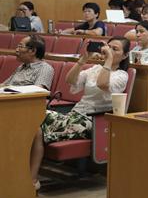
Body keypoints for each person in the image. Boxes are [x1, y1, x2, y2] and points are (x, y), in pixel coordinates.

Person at [38, 37, 130, 190]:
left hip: (91, 121)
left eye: (115, 49)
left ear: (125, 55)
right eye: (108, 47)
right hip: (75, 114)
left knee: (38, 128)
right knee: (37, 115)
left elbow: (102, 84)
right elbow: (70, 80)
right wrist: (83, 59)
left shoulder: (122, 75)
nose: (109, 51)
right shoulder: (94, 69)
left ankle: (30, 177)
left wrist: (108, 60)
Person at [1, 35, 54, 190]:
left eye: (20, 46)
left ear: (33, 51)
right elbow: (5, 85)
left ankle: (32, 179)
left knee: (35, 131)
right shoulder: (21, 67)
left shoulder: (45, 68)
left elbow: (38, 92)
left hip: (31, 110)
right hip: (11, 107)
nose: (16, 50)